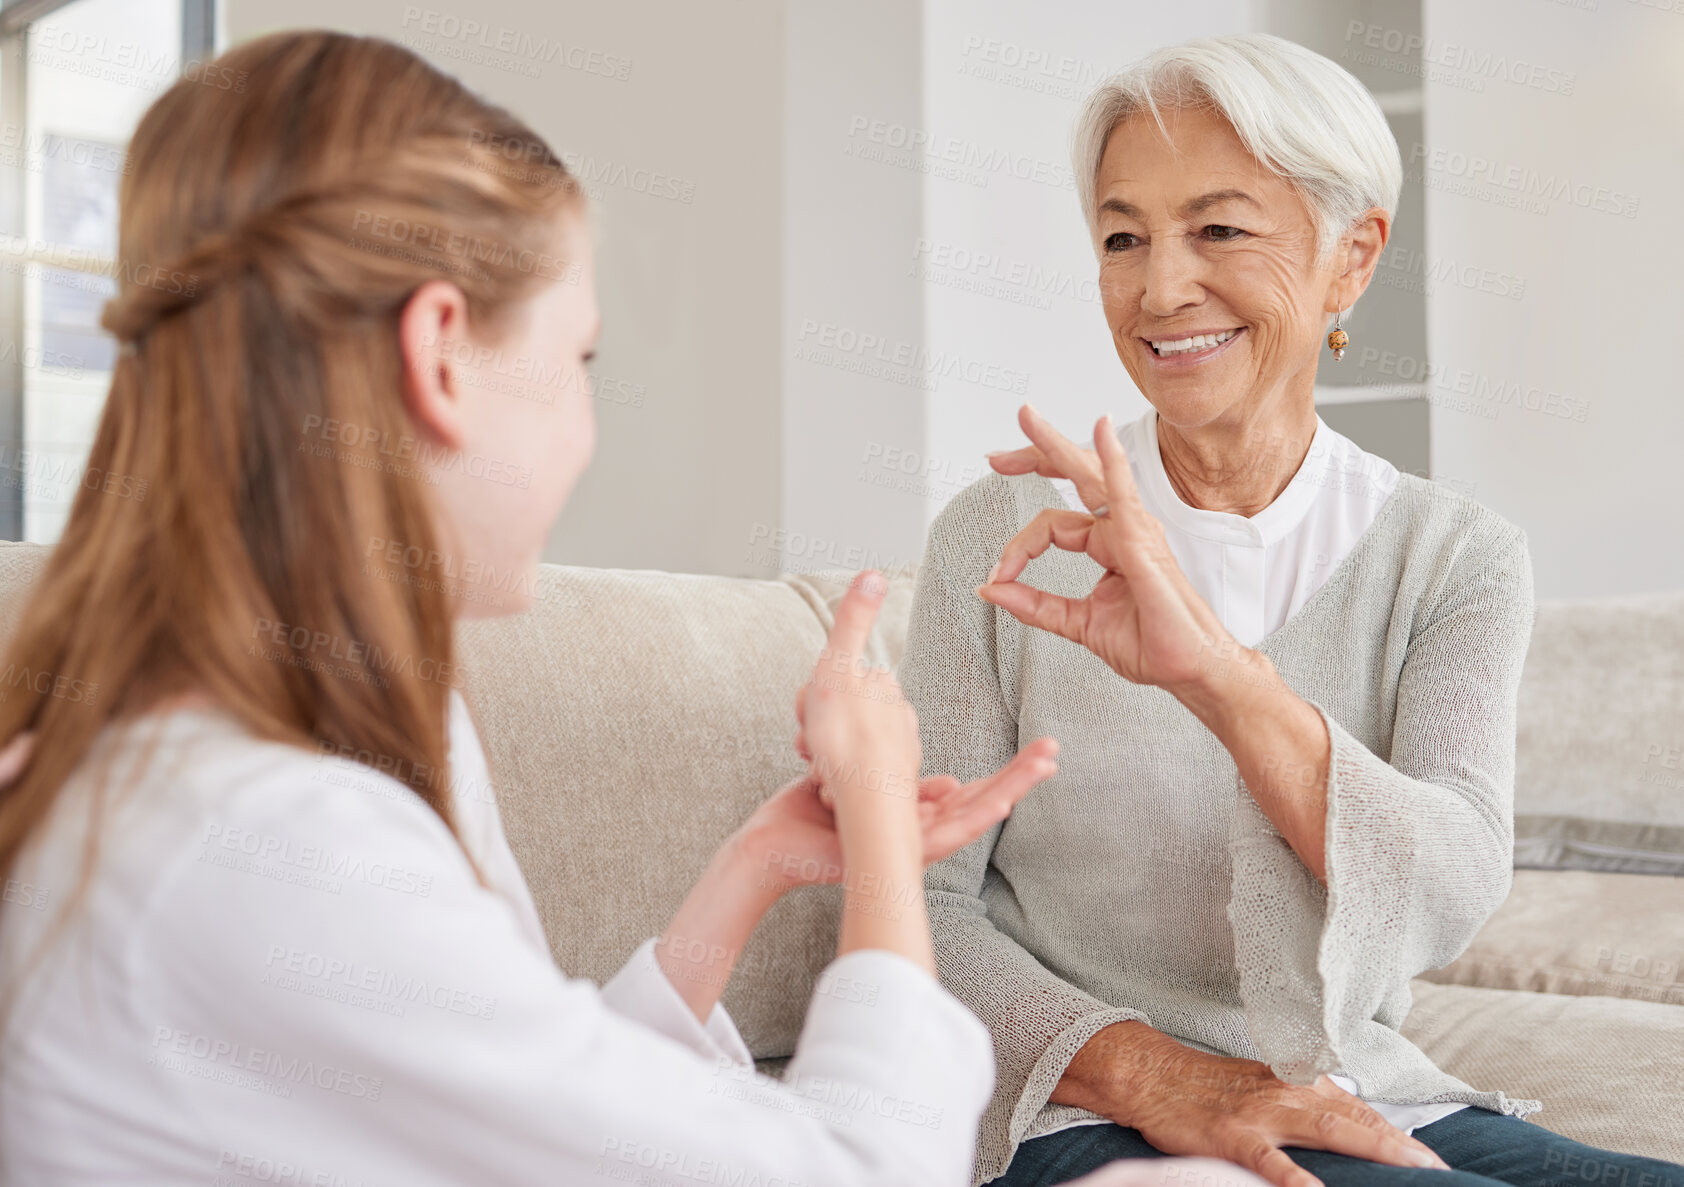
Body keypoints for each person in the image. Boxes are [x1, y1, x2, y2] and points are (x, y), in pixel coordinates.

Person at [0, 30, 1069, 1186]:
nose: (583, 431)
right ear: (442, 353)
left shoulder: (261, 746)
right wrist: (875, 832)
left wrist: (752, 865)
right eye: (579, 361)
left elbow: (540, 1108)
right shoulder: (275, 844)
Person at [899, 32, 1684, 1187]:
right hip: (1077, 1106)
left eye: (1218, 229)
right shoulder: (1002, 533)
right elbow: (913, 907)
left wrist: (1218, 675)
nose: (1162, 287)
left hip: (1356, 1085)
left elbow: (1448, 892)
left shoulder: (1455, 555)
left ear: (1348, 257)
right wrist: (1163, 1075)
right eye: (1124, 236)